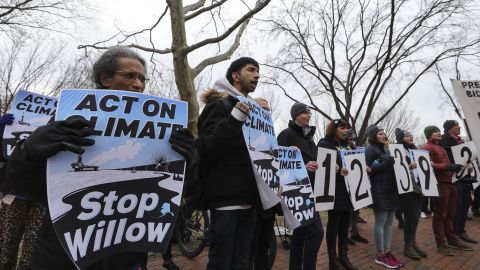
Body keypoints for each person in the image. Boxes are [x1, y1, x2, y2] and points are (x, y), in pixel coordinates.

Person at [3, 46, 194, 270]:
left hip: (127, 253)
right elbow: (21, 185)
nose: (138, 84)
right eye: (130, 75)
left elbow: (178, 193)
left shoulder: (163, 132)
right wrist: (30, 150)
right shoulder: (68, 120)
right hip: (64, 254)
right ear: (105, 78)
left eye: (142, 78)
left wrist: (188, 162)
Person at [197, 57, 260, 270]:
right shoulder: (219, 106)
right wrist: (235, 118)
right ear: (235, 76)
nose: (257, 75)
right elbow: (207, 148)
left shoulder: (254, 113)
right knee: (221, 264)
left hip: (249, 201)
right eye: (251, 70)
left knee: (242, 263)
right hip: (226, 203)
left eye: (258, 72)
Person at [277, 102, 324, 270]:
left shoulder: (309, 139)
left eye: (309, 113)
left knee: (300, 232)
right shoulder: (286, 135)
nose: (308, 115)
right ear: (295, 115)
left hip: (310, 191)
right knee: (317, 232)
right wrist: (304, 165)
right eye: (304, 113)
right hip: (296, 192)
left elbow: (316, 162)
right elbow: (279, 163)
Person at [422, 125, 472, 256]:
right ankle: (441, 243)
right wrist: (449, 166)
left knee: (450, 213)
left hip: (449, 182)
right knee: (440, 214)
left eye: (438, 131)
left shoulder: (439, 146)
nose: (438, 133)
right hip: (439, 183)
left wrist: (459, 169)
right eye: (435, 131)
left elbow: (446, 165)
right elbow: (429, 166)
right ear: (428, 135)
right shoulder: (426, 147)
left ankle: (452, 239)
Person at [318, 119, 357, 270]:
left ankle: (343, 257)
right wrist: (338, 169)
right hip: (333, 191)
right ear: (333, 129)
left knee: (344, 225)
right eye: (342, 128)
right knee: (334, 225)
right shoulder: (324, 143)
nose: (346, 131)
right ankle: (332, 260)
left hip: (347, 191)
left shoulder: (344, 146)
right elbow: (322, 165)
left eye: (347, 128)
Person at [365, 126, 403, 269]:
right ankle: (380, 254)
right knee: (380, 222)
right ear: (373, 136)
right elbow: (368, 169)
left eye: (384, 133)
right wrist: (382, 161)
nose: (383, 135)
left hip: (391, 189)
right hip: (379, 189)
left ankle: (387, 251)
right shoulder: (370, 149)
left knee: (389, 222)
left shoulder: (387, 149)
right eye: (380, 133)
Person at [440, 120, 478, 244]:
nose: (459, 128)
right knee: (457, 205)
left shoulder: (460, 140)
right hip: (453, 177)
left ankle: (461, 230)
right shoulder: (444, 140)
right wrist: (459, 164)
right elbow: (447, 157)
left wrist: (468, 165)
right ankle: (454, 232)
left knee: (466, 203)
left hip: (464, 176)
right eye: (457, 127)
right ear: (450, 128)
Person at [394, 128, 427, 260]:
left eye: (411, 135)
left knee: (415, 216)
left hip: (418, 187)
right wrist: (409, 167)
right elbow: (396, 169)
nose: (410, 137)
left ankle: (412, 243)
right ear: (401, 139)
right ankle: (407, 246)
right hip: (407, 188)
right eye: (407, 136)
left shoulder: (415, 150)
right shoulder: (397, 150)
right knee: (411, 216)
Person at [346, 129, 369, 246]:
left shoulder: (358, 151)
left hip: (357, 183)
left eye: (354, 139)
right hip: (346, 186)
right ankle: (345, 235)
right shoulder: (342, 149)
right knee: (348, 212)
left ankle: (354, 232)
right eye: (350, 139)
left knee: (356, 210)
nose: (352, 141)